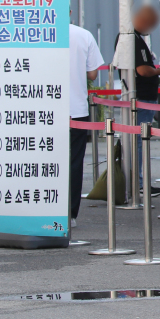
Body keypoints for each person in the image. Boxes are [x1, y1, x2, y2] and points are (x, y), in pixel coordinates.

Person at [131, 5, 160, 196]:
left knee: (139, 141)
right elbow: (143, 70)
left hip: (144, 98)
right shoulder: (133, 39)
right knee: (139, 140)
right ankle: (137, 184)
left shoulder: (137, 38)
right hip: (141, 99)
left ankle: (137, 182)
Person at [68, 23, 103, 225]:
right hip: (76, 108)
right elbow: (92, 74)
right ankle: (70, 213)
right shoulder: (84, 34)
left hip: (44, 110)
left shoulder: (39, 32)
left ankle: (47, 206)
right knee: (74, 161)